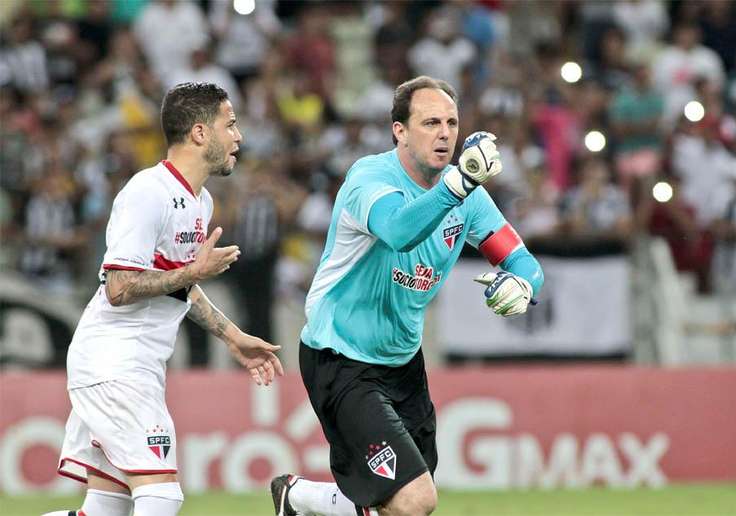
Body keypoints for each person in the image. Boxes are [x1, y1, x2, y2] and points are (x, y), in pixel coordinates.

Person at [270, 75, 543, 516]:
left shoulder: (469, 198)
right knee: (415, 500)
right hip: (340, 357)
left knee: (398, 501)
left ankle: (298, 498)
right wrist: (457, 187)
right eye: (430, 122)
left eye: (452, 123)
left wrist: (523, 285)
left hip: (403, 365)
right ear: (399, 130)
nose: (444, 133)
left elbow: (524, 262)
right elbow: (399, 232)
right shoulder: (370, 180)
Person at [45, 82, 284, 516]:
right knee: (161, 496)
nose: (239, 137)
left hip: (133, 365)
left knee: (105, 509)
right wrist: (193, 270)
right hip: (115, 365)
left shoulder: (200, 201)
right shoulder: (146, 193)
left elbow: (177, 284)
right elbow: (119, 286)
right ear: (199, 133)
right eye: (230, 125)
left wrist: (231, 336)